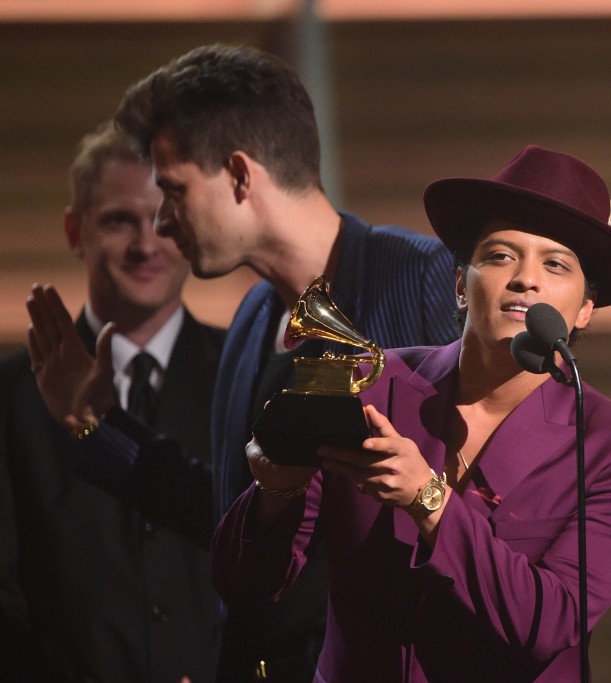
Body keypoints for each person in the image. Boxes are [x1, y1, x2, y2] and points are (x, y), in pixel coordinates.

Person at [26, 44, 460, 682]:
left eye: (173, 191)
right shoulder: (254, 316)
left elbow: (491, 505)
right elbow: (234, 513)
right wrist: (96, 423)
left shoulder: (422, 278)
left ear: (238, 174)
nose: (162, 222)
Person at [210, 144, 611, 682]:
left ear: (586, 308)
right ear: (460, 285)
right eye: (500, 256)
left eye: (555, 264)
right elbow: (246, 585)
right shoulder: (368, 386)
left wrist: (427, 499)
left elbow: (548, 624)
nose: (525, 279)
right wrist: (275, 494)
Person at [0, 121, 223, 682]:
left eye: (162, 219)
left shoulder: (244, 375)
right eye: (120, 220)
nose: (146, 245)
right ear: (75, 231)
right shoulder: (9, 396)